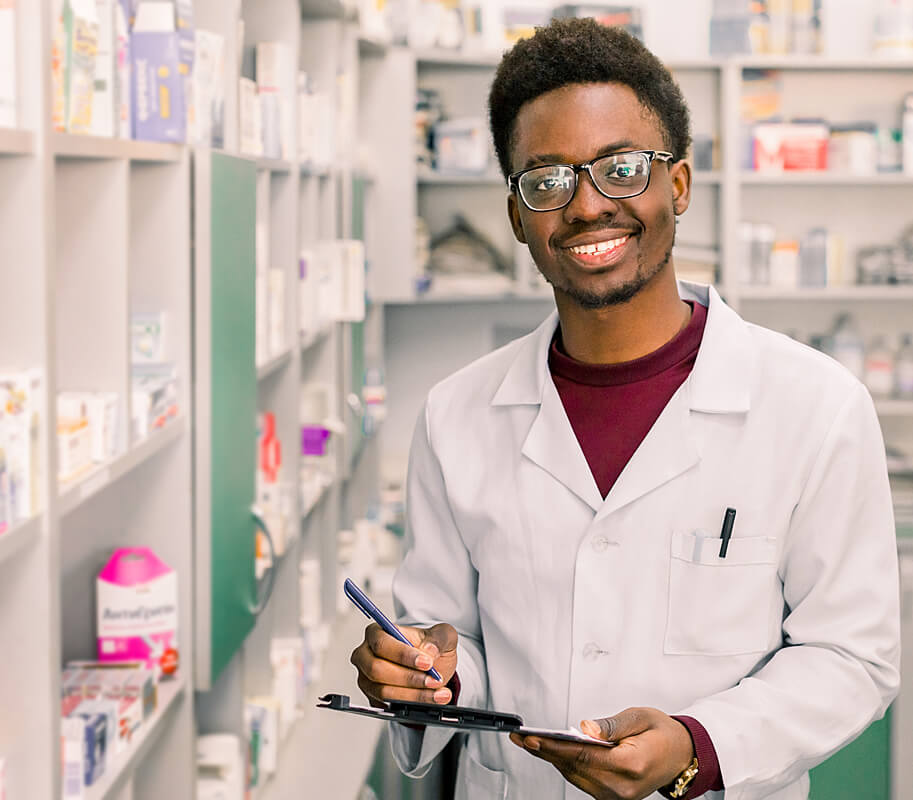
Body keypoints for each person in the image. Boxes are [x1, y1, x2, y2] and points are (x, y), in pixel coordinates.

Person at [350, 18, 901, 800]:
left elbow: (852, 655)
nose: (584, 206)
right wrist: (423, 670)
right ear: (516, 217)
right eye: (545, 181)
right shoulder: (456, 414)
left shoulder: (813, 406)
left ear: (675, 185)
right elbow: (453, 640)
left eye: (620, 168)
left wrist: (696, 748)